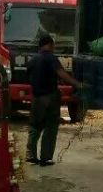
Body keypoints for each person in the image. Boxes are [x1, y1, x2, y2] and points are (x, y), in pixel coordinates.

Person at [26, 34, 83, 166]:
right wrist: (77, 84)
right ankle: (45, 158)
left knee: (34, 127)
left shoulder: (32, 60)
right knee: (50, 128)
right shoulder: (51, 58)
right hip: (50, 98)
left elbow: (31, 77)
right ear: (50, 45)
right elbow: (61, 73)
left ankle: (31, 155)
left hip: (36, 98)